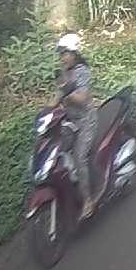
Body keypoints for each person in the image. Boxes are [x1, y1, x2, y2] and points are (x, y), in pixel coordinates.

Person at [51, 33, 97, 220]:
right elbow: (55, 99)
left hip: (86, 120)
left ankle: (88, 200)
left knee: (79, 157)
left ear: (75, 54)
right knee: (57, 154)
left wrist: (66, 93)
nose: (62, 58)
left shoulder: (82, 71)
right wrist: (47, 111)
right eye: (61, 54)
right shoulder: (64, 73)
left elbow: (82, 98)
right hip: (70, 121)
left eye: (66, 53)